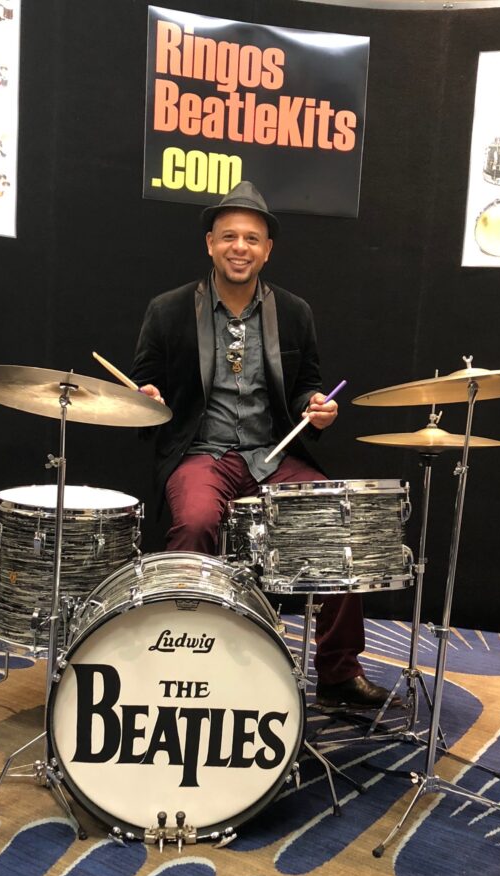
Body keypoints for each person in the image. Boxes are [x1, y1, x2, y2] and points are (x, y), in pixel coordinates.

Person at [130, 180, 397, 711]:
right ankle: (181, 660)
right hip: (201, 454)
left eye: (252, 238)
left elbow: (305, 386)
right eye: (229, 236)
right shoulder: (169, 309)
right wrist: (147, 397)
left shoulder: (294, 312)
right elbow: (143, 381)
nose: (240, 247)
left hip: (273, 456)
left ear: (267, 249)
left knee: (339, 518)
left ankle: (339, 671)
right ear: (210, 243)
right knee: (196, 522)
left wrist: (316, 405)